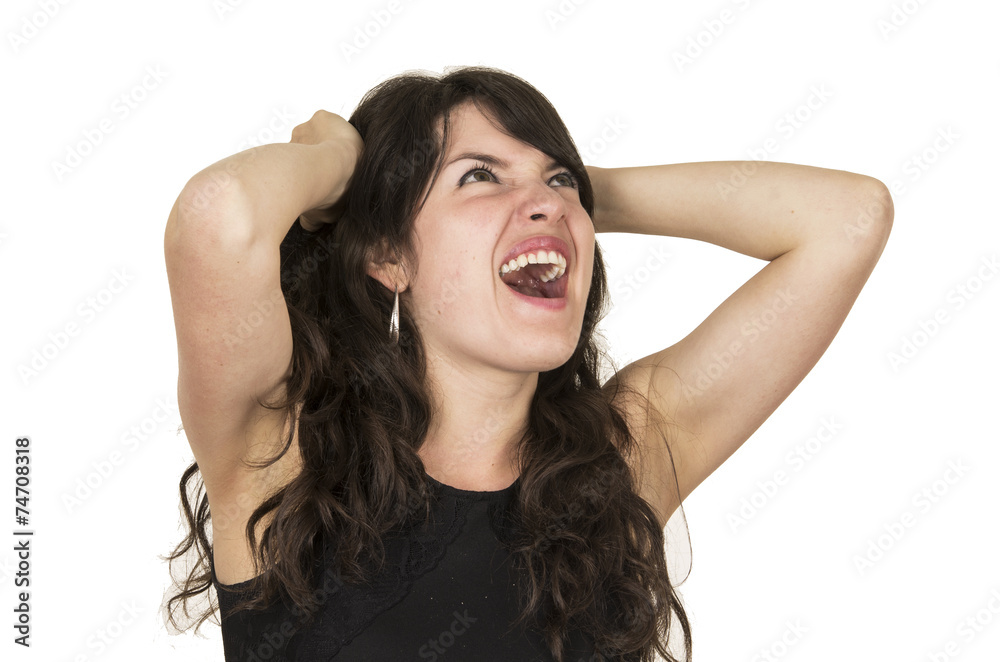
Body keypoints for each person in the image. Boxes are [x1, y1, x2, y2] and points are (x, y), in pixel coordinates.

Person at [161, 66, 892, 661]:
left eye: (558, 178)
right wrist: (343, 161)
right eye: (479, 175)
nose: (544, 201)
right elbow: (218, 214)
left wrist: (581, 197)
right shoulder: (281, 456)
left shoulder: (625, 458)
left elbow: (850, 218)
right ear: (387, 253)